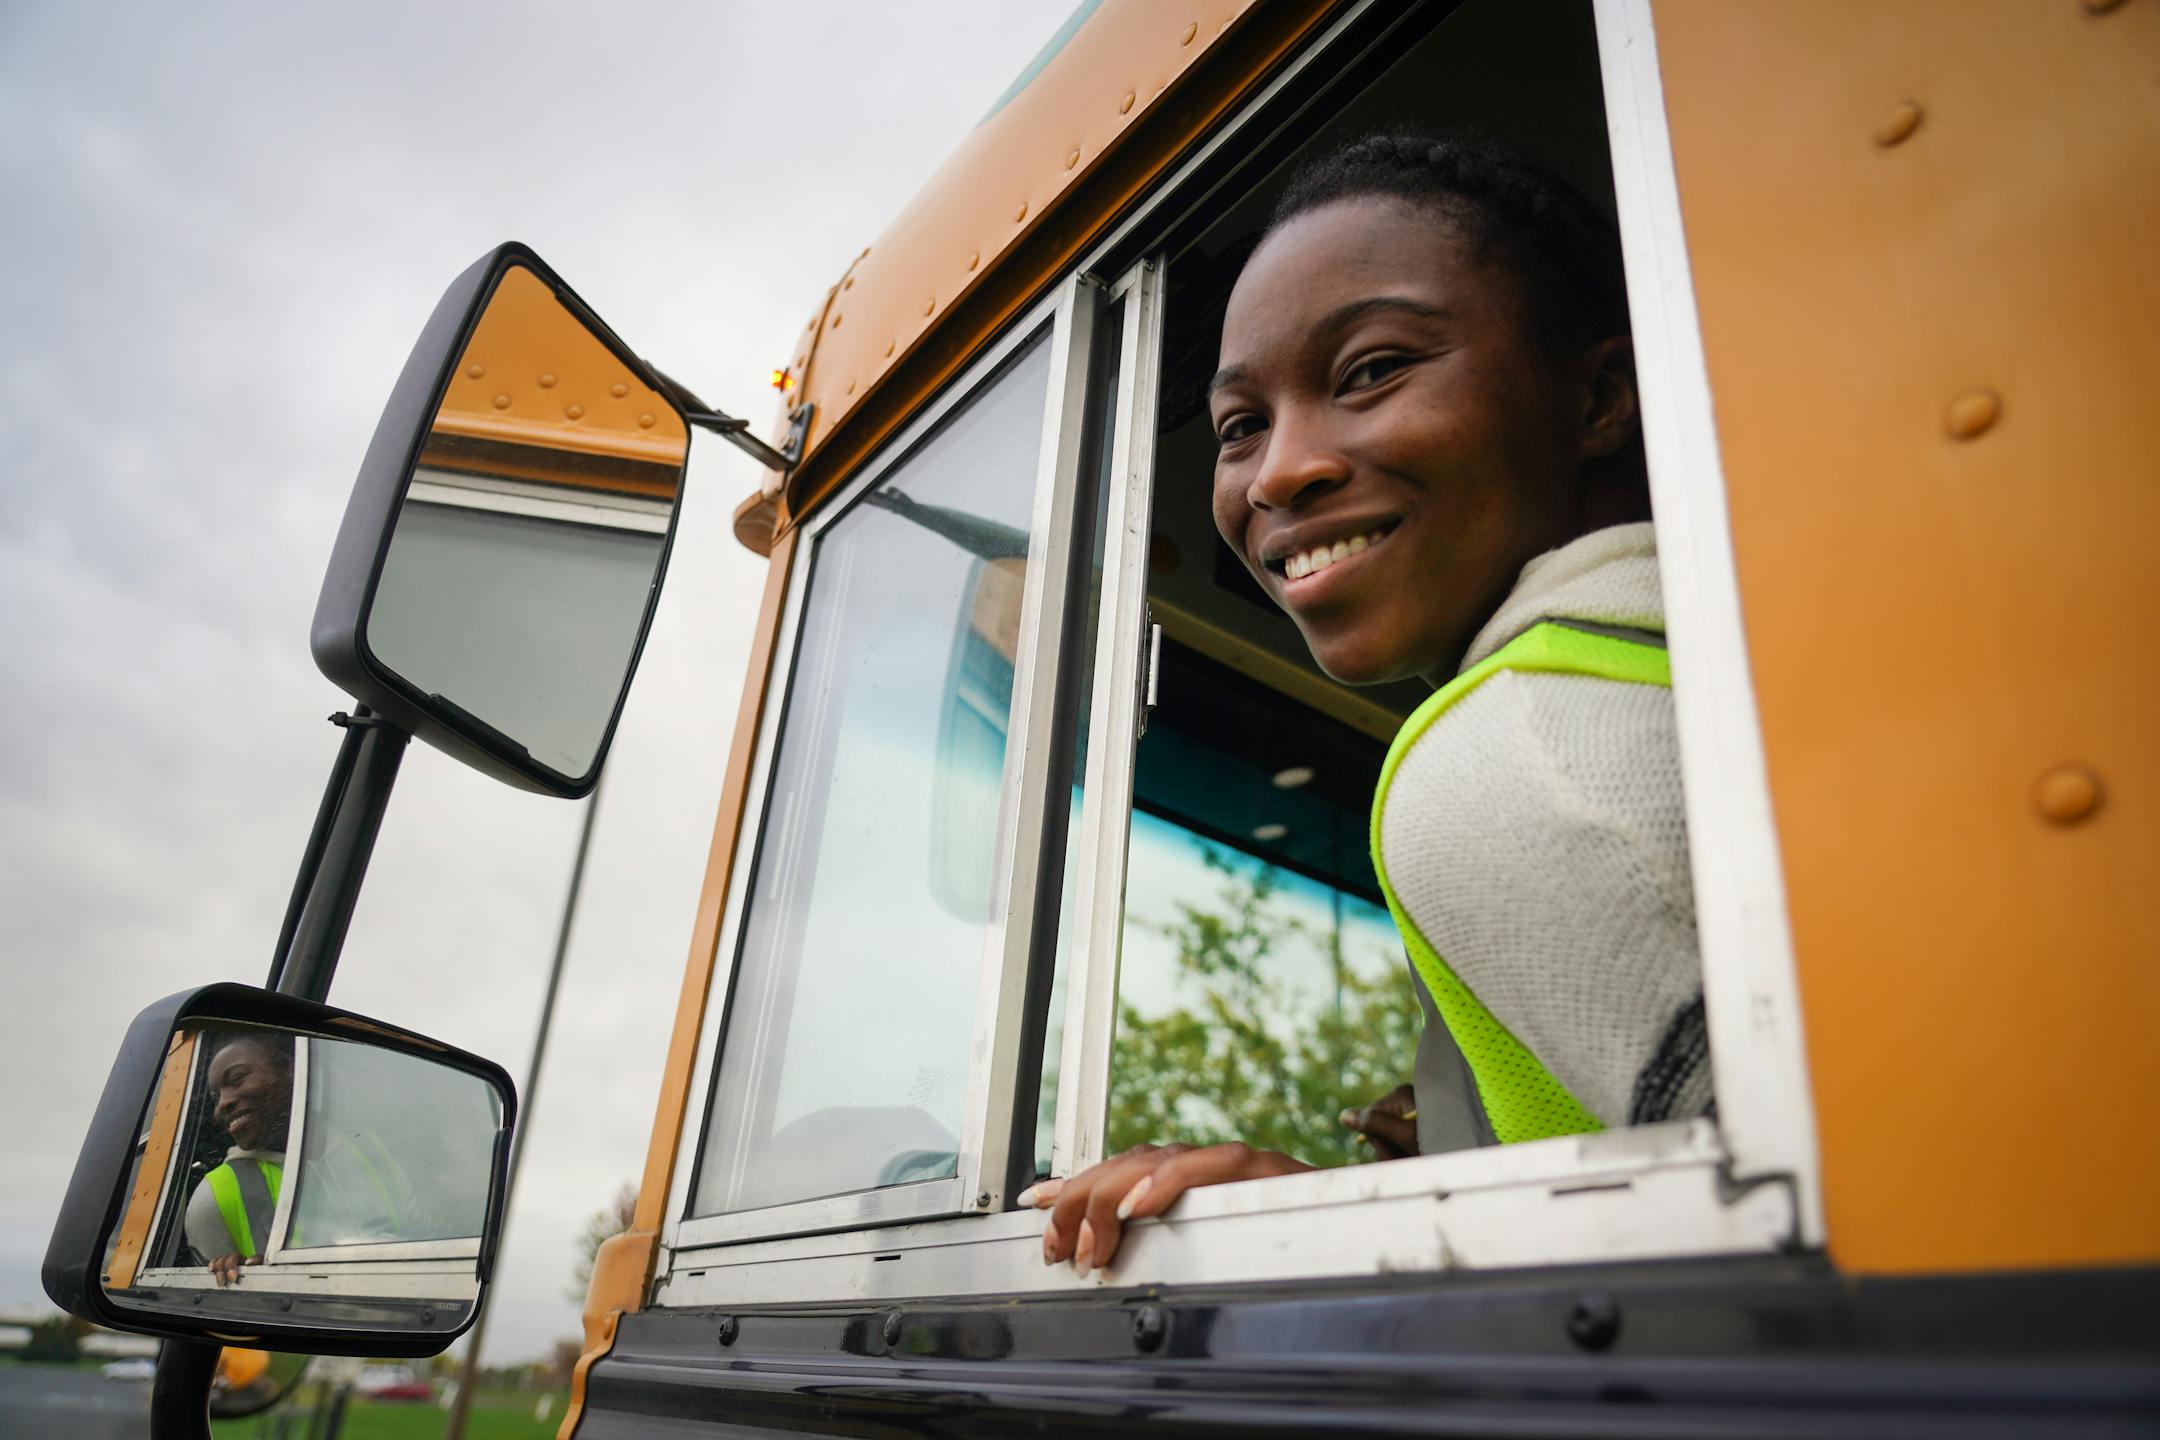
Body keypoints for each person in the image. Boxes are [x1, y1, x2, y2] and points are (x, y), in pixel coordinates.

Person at [1025, 133, 1709, 1274]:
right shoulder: (1698, 675)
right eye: (1240, 425)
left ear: (1597, 398)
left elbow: (1873, 1267)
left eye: (1373, 369)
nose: (1281, 471)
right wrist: (1374, 1204)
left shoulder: (1505, 753)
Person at [182, 1031, 295, 1286]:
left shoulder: (365, 1150)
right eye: (214, 1097)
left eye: (237, 1078)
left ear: (291, 1070)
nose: (222, 1103)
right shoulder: (213, 1196)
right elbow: (220, 1301)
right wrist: (243, 1275)